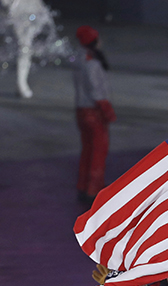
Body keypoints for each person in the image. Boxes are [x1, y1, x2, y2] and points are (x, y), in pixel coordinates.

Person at [74, 25, 116, 206]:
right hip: (94, 111)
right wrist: (106, 109)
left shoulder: (79, 59)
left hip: (81, 110)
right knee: (98, 151)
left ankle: (83, 186)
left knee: (87, 150)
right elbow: (96, 90)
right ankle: (94, 189)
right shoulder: (92, 63)